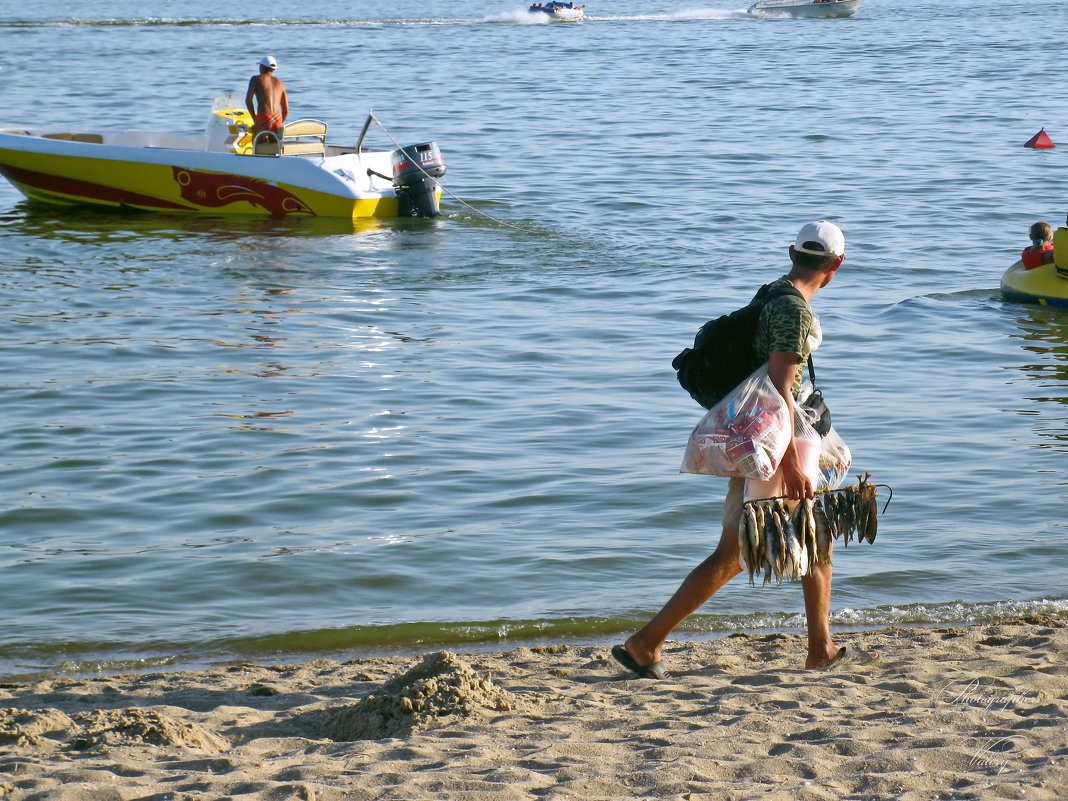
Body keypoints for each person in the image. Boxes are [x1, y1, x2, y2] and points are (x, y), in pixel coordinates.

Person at [612, 220, 874, 680]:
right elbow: (779, 385)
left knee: (778, 542)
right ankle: (648, 643)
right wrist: (791, 460)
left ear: (791, 252)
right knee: (774, 544)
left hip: (760, 434)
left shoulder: (773, 291)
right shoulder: (795, 313)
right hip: (781, 439)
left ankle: (648, 644)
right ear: (837, 265)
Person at [245, 56, 289, 143]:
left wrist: (255, 119)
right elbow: (286, 110)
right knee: (274, 149)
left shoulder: (255, 79)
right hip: (277, 117)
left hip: (263, 116)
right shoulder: (280, 83)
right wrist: (277, 122)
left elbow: (248, 101)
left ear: (262, 67)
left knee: (257, 146)